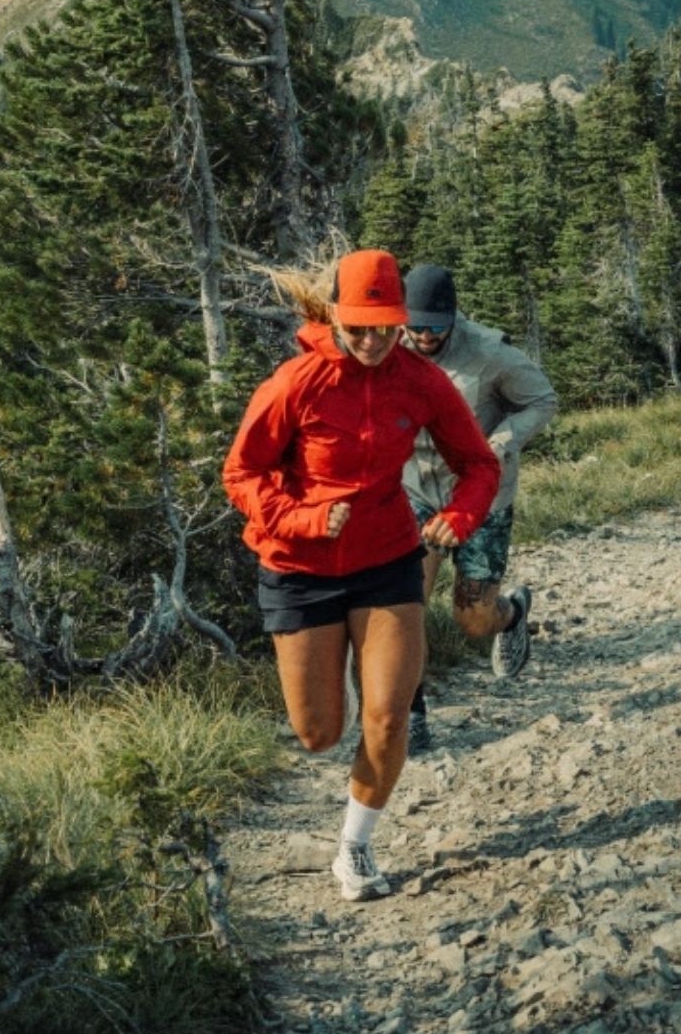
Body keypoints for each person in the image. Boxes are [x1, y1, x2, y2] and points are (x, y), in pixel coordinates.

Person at [224, 249, 501, 902]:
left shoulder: (420, 380)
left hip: (387, 561)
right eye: (360, 328)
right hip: (299, 569)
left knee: (387, 717)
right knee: (320, 733)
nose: (375, 341)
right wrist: (303, 518)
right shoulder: (296, 383)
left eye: (387, 326)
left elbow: (479, 465)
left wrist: (460, 517)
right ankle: (338, 683)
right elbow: (241, 475)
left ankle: (354, 847)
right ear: (337, 319)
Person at [398, 264, 555, 753]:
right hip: (413, 490)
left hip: (480, 492)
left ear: (453, 317)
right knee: (405, 608)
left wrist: (501, 442)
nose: (423, 335)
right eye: (415, 325)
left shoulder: (490, 353)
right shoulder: (388, 345)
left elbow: (542, 400)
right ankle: (413, 716)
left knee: (471, 617)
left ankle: (510, 616)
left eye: (435, 327)